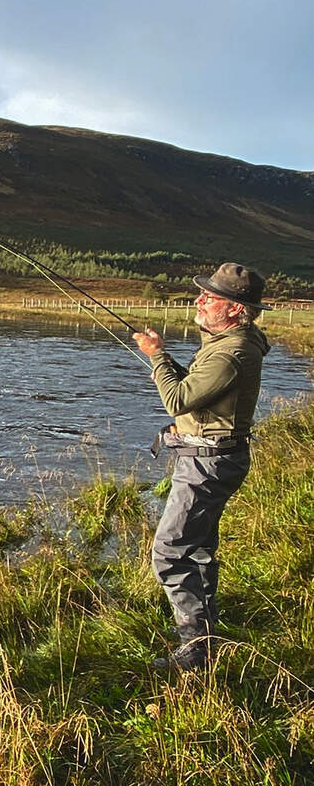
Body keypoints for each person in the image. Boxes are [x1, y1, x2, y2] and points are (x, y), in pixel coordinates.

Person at [133, 262, 270, 672]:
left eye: (209, 297)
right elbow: (194, 391)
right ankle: (206, 632)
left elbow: (177, 401)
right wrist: (164, 357)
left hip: (207, 465)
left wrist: (157, 356)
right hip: (210, 458)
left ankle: (194, 650)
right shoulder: (228, 343)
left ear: (235, 309)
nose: (199, 300)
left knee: (170, 552)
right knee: (199, 547)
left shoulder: (230, 353)